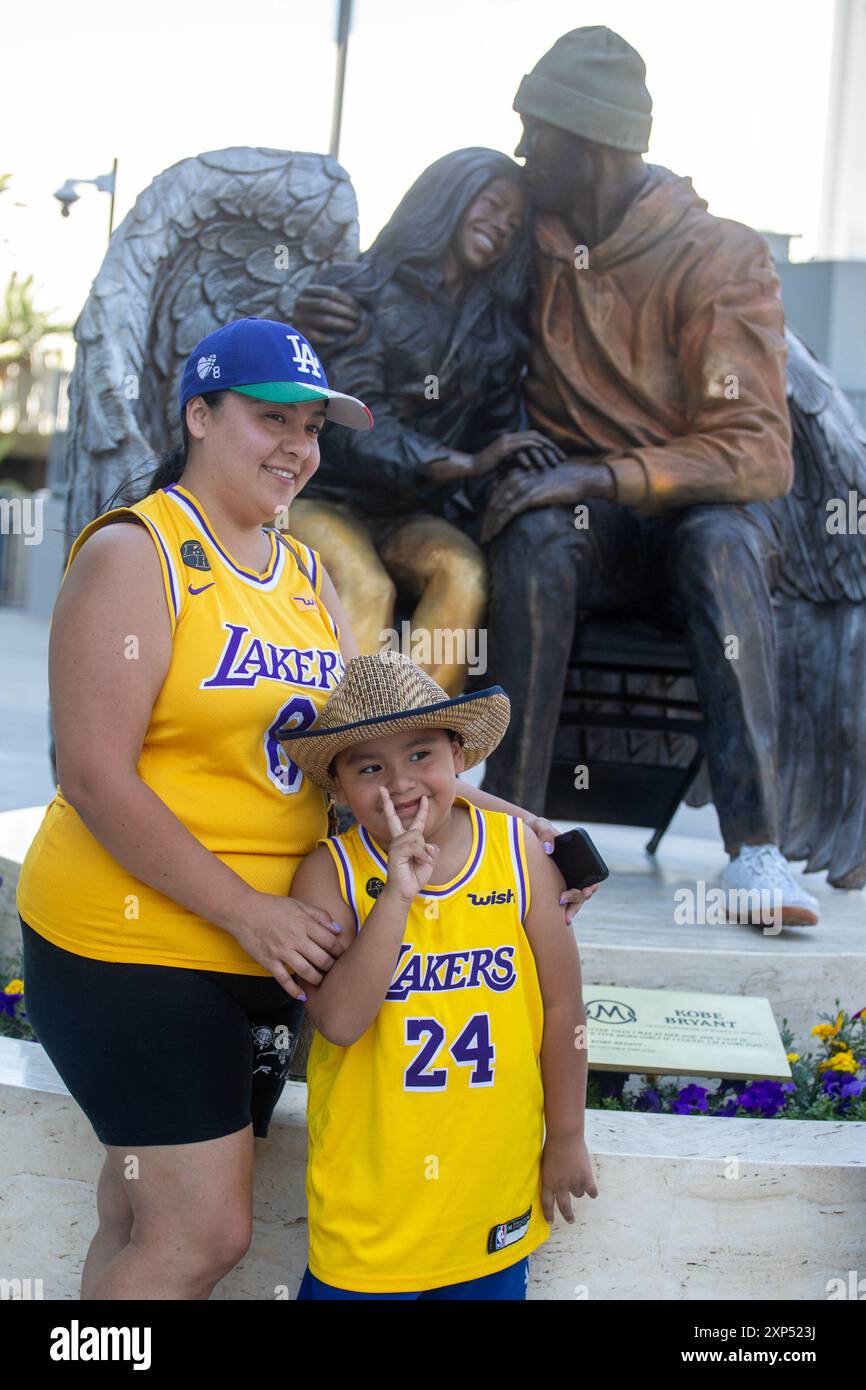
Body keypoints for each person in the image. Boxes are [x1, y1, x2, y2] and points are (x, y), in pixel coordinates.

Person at [16, 317, 583, 1300]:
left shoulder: (305, 575)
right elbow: (94, 776)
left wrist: (495, 822)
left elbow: (352, 752)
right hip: (137, 944)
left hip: (272, 949)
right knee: (201, 1236)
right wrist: (249, 909)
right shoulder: (136, 555)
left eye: (313, 427)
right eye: (271, 418)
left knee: (135, 1206)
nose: (297, 447)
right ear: (199, 414)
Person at [478, 27, 818, 925]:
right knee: (536, 532)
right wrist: (344, 311)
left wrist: (595, 477)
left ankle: (757, 857)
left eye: (533, 132)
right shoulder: (532, 240)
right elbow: (426, 273)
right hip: (589, 531)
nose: (520, 153)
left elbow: (756, 452)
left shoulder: (719, 256)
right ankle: (511, 835)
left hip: (696, 520)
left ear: (584, 147)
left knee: (717, 545)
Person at [281, 651, 599, 1300]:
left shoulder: (520, 858)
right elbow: (339, 1023)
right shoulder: (329, 874)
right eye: (370, 767)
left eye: (420, 755)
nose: (399, 783)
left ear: (459, 756)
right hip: (369, 1206)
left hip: (490, 1193)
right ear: (339, 788)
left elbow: (564, 1009)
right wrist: (395, 897)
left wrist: (567, 1135)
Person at [291, 147, 561, 694]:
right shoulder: (359, 290)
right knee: (365, 586)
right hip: (320, 498)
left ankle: (415, 741)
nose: (500, 228)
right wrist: (459, 462)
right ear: (451, 199)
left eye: (513, 224)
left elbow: (495, 435)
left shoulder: (496, 335)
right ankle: (345, 753)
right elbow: (354, 425)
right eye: (490, 206)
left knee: (462, 571)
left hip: (409, 515)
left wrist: (520, 470)